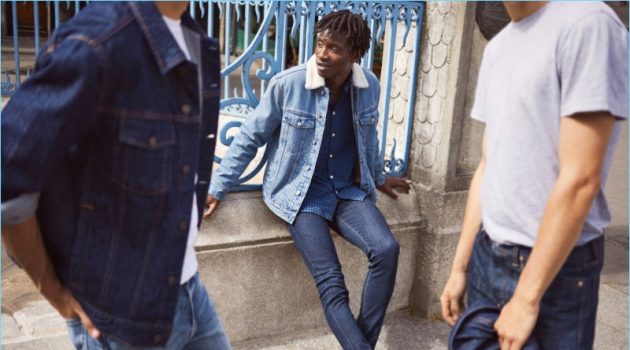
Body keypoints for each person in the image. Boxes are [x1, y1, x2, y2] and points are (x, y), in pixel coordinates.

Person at [1, 2, 231, 349]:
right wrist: (51, 288)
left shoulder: (192, 37)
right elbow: (9, 175)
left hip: (188, 290)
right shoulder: (97, 42)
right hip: (119, 317)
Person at [205, 10, 410, 350]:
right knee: (332, 283)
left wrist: (377, 175)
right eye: (319, 43)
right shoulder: (289, 84)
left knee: (386, 249)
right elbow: (248, 137)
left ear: (354, 55)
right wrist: (217, 187)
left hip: (346, 191)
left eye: (334, 48)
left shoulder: (367, 85)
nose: (322, 53)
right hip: (300, 196)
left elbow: (369, 136)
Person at [440, 2, 628, 349]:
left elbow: (581, 178)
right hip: (487, 252)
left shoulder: (588, 24)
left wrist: (527, 296)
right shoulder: (499, 48)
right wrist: (460, 267)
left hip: (554, 269)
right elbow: (488, 163)